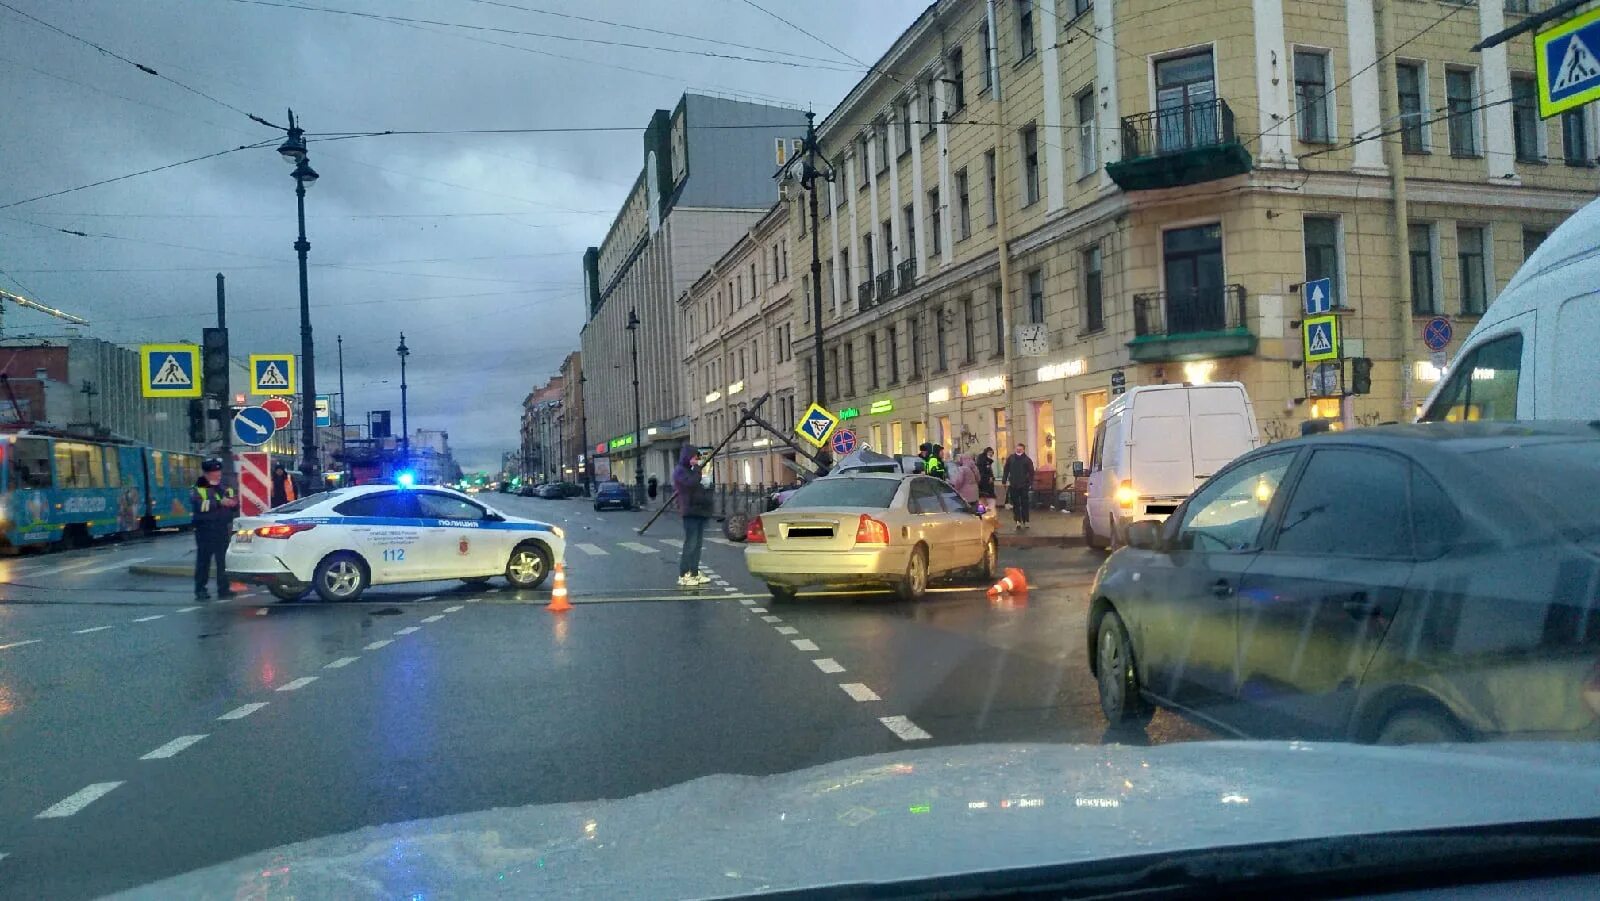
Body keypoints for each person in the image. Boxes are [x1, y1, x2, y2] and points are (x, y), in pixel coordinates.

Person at [190, 459, 238, 600]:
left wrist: (233, 503)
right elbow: (200, 506)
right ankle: (200, 590)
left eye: (218, 471)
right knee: (204, 561)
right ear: (206, 473)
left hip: (221, 527)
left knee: (223, 561)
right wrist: (219, 502)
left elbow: (232, 503)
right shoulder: (199, 487)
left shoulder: (224, 487)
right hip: (205, 529)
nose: (217, 474)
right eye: (214, 472)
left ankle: (223, 588)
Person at [672, 446, 713, 588]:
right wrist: (698, 471)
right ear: (687, 457)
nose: (696, 461)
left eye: (697, 458)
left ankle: (694, 572)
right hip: (689, 511)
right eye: (694, 458)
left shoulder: (691, 471)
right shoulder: (680, 471)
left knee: (697, 545)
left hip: (700, 510)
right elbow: (691, 483)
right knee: (690, 544)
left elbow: (700, 486)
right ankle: (684, 575)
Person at [1002, 443, 1035, 532]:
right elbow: (1006, 470)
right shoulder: (1011, 458)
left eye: (1020, 449)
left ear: (1023, 450)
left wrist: (1030, 483)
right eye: (1017, 449)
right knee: (1016, 504)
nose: (1018, 450)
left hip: (1024, 485)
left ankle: (1026, 520)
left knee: (1025, 503)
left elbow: (1031, 472)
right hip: (1013, 484)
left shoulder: (1027, 460)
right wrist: (1004, 480)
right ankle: (1017, 520)